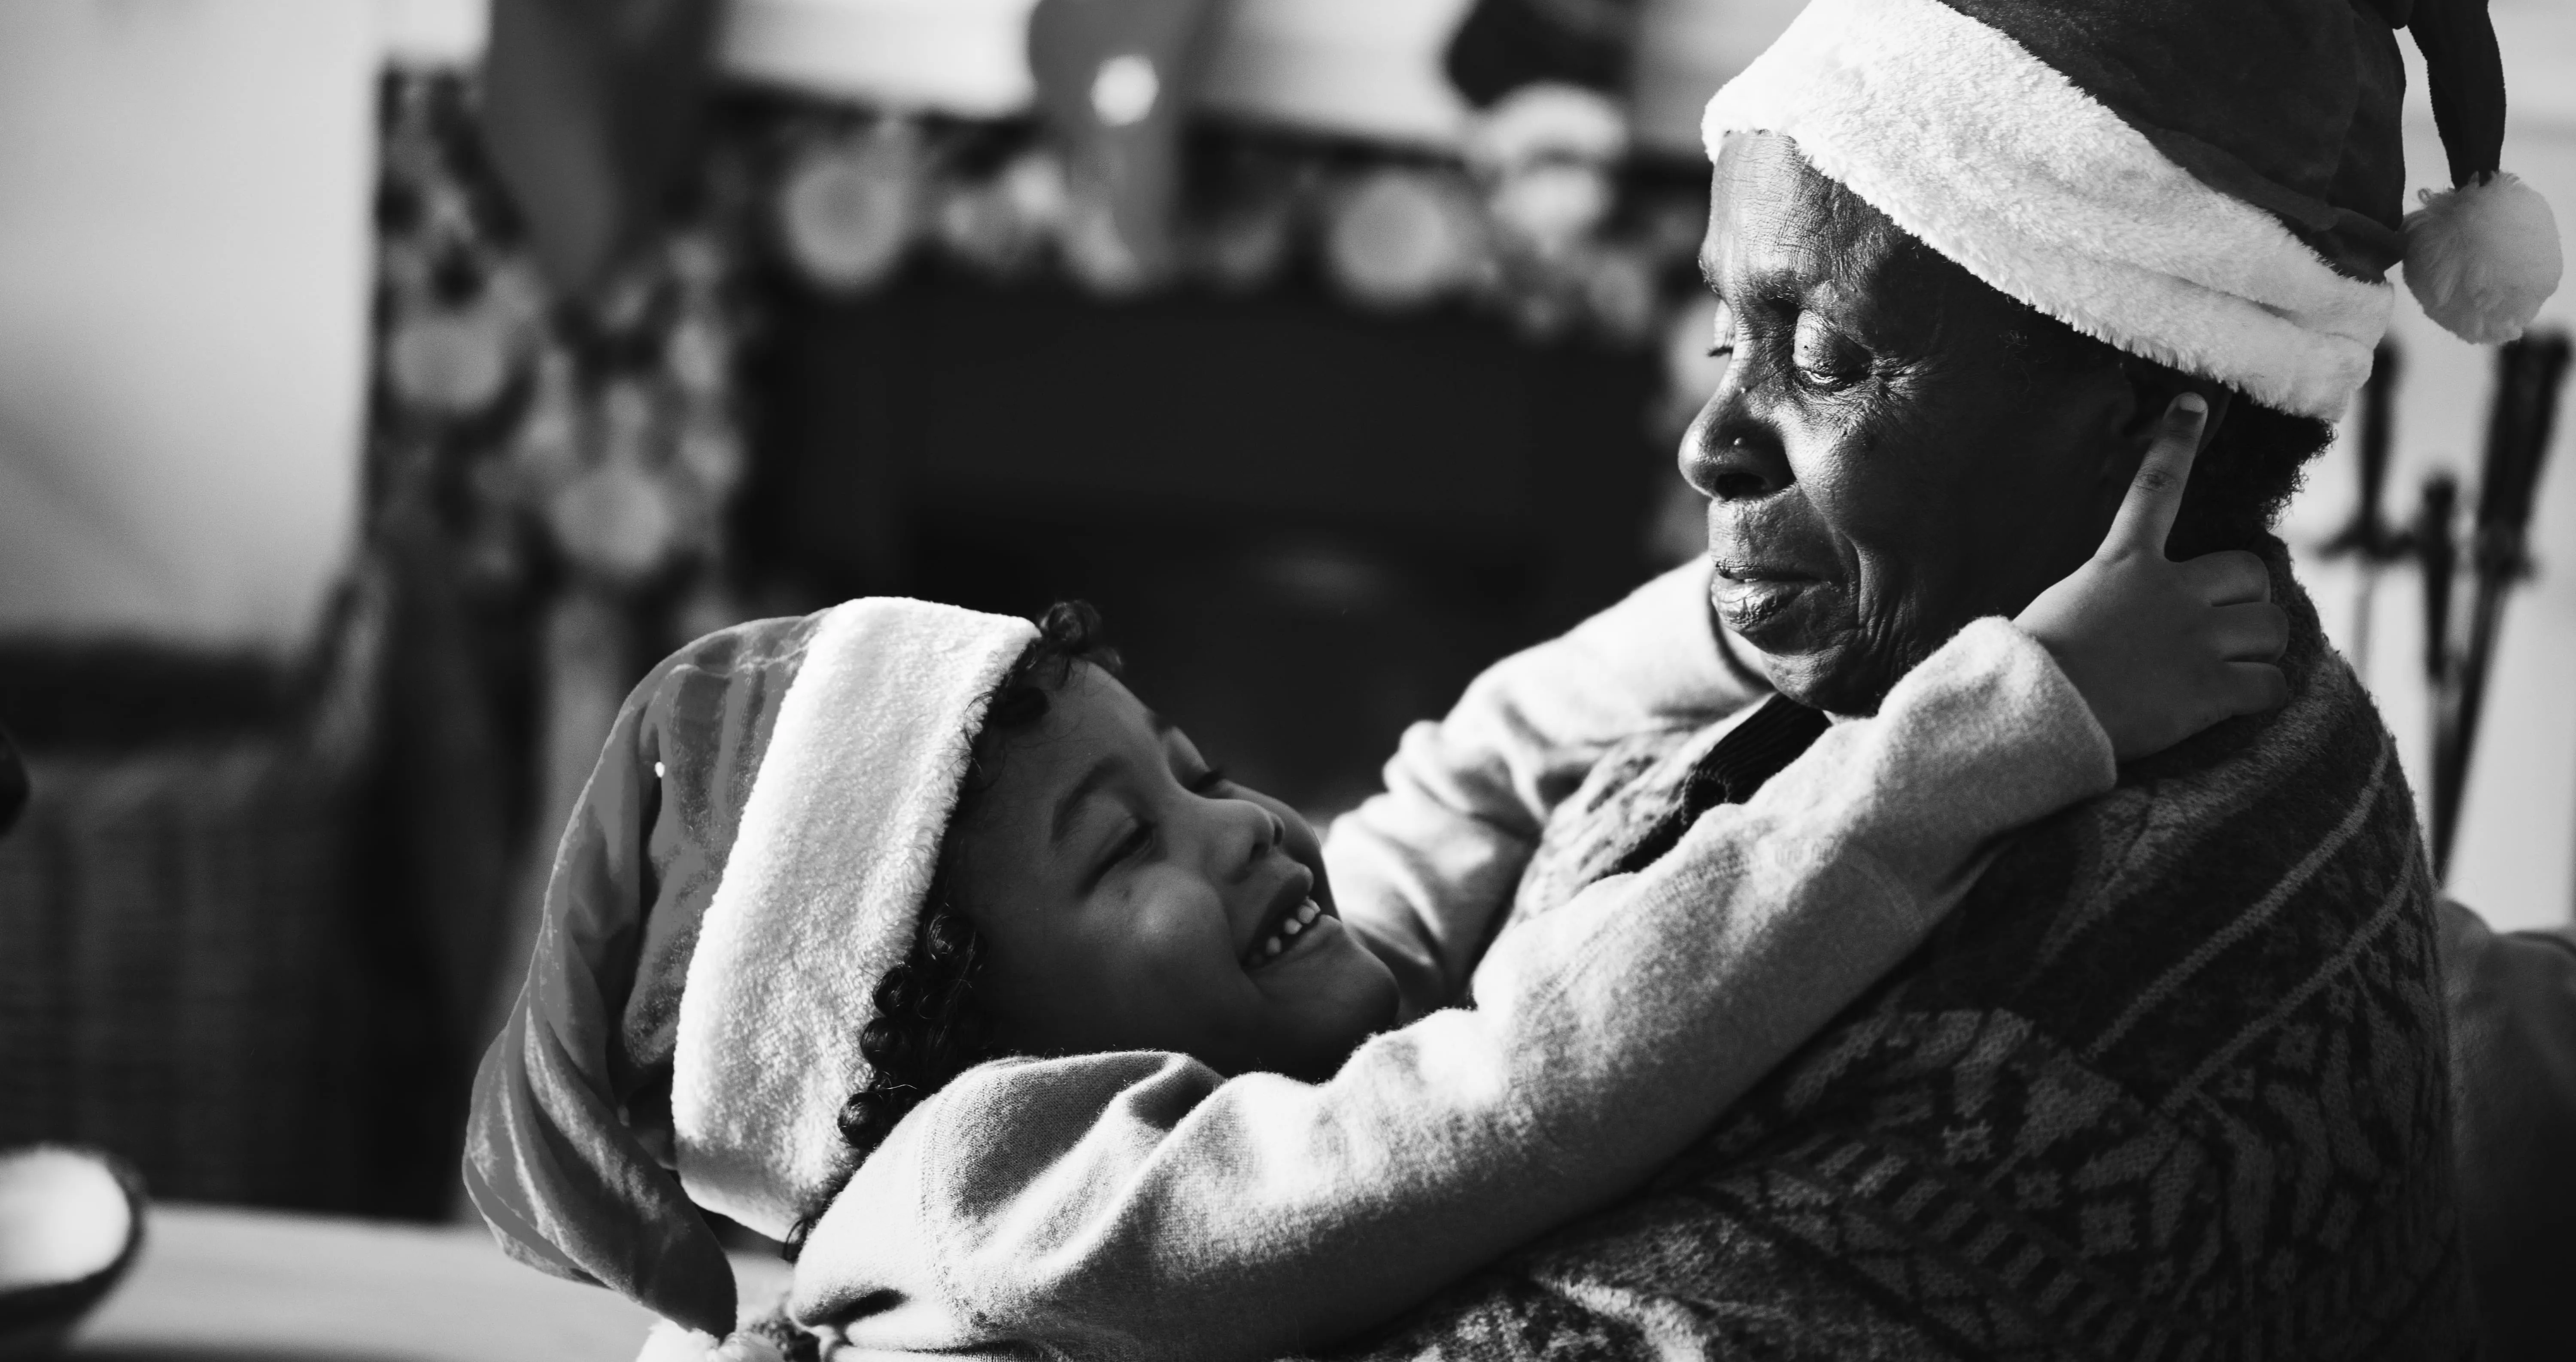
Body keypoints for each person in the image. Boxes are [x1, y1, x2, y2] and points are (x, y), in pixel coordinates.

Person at [1300, 0, 2561, 1360]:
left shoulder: (2062, 1078)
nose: (1709, 442)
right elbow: (1496, 768)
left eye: (1821, 354)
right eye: (1724, 337)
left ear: (2141, 410)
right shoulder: (1983, 649)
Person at [463, 392, 2273, 1362]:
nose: (1238, 820)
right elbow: (1518, 1093)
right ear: (942, 1054)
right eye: (1122, 849)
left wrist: (1763, 609)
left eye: (1186, 769)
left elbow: (1468, 775)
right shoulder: (992, 1196)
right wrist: (1999, 726)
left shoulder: (1203, 1064)